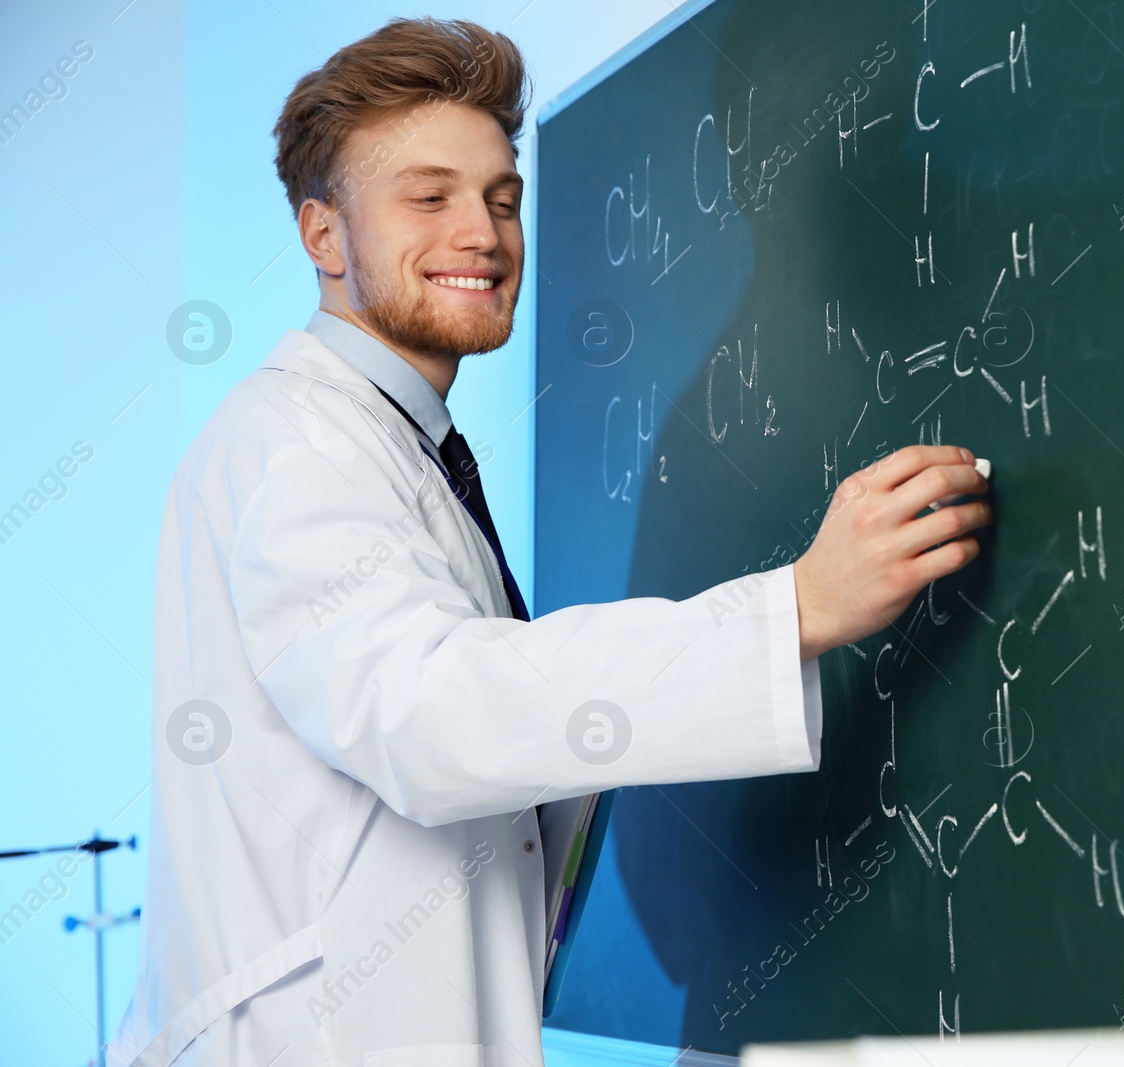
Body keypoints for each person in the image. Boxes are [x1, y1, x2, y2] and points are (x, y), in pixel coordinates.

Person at [109, 17, 991, 1067]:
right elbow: (427, 710)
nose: (481, 233)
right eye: (427, 198)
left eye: (501, 197)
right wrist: (792, 611)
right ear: (323, 235)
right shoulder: (293, 444)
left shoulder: (401, 447)